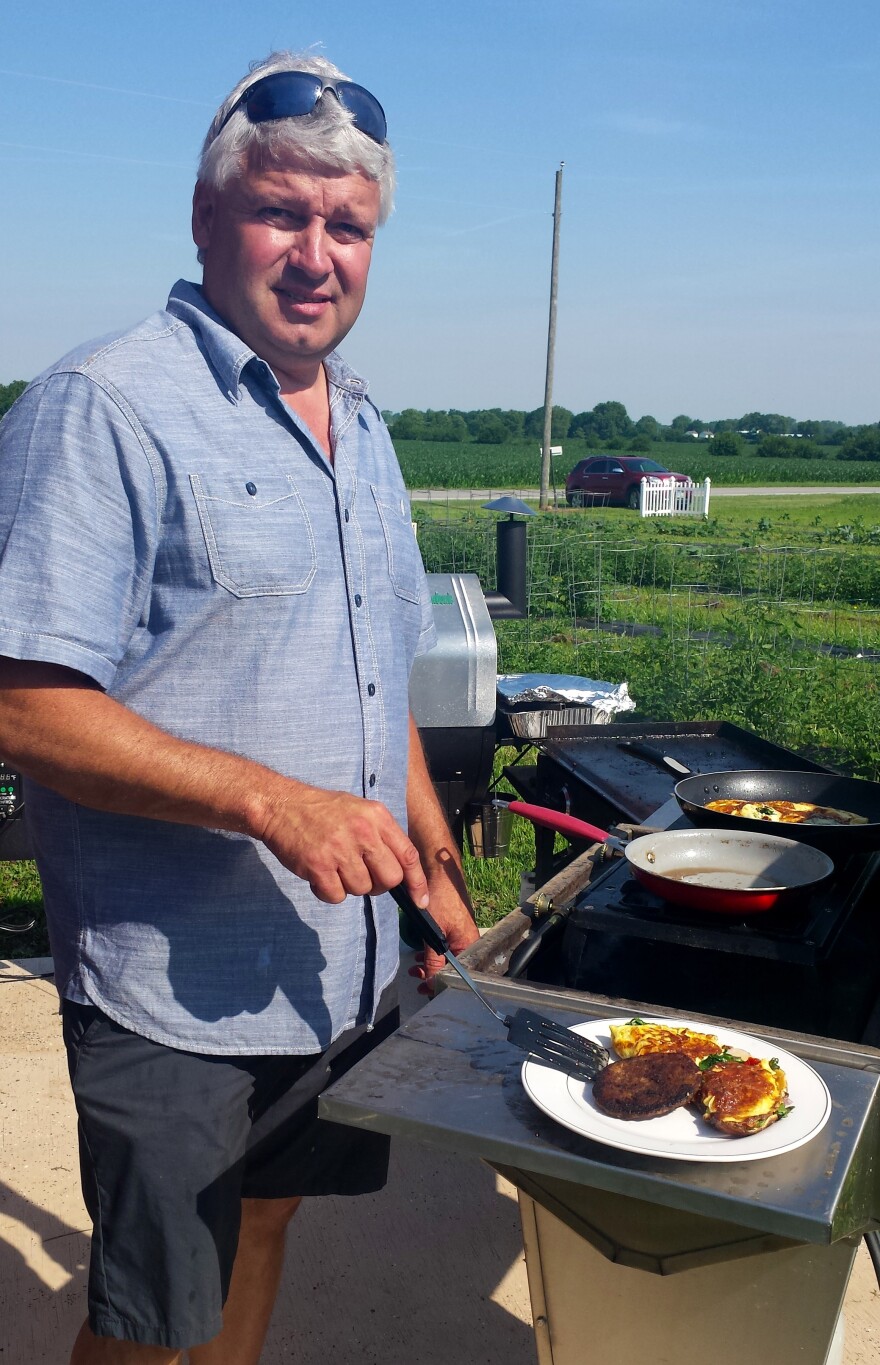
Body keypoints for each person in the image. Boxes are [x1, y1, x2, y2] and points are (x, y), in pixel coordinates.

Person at [0, 50, 478, 1364]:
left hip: (331, 970)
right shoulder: (106, 404)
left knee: (265, 1225)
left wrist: (429, 859)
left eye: (349, 226)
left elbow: (370, 671)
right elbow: (23, 705)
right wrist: (271, 801)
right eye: (284, 212)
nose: (317, 252)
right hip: (172, 987)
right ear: (208, 218)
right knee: (155, 1312)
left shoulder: (364, 426)